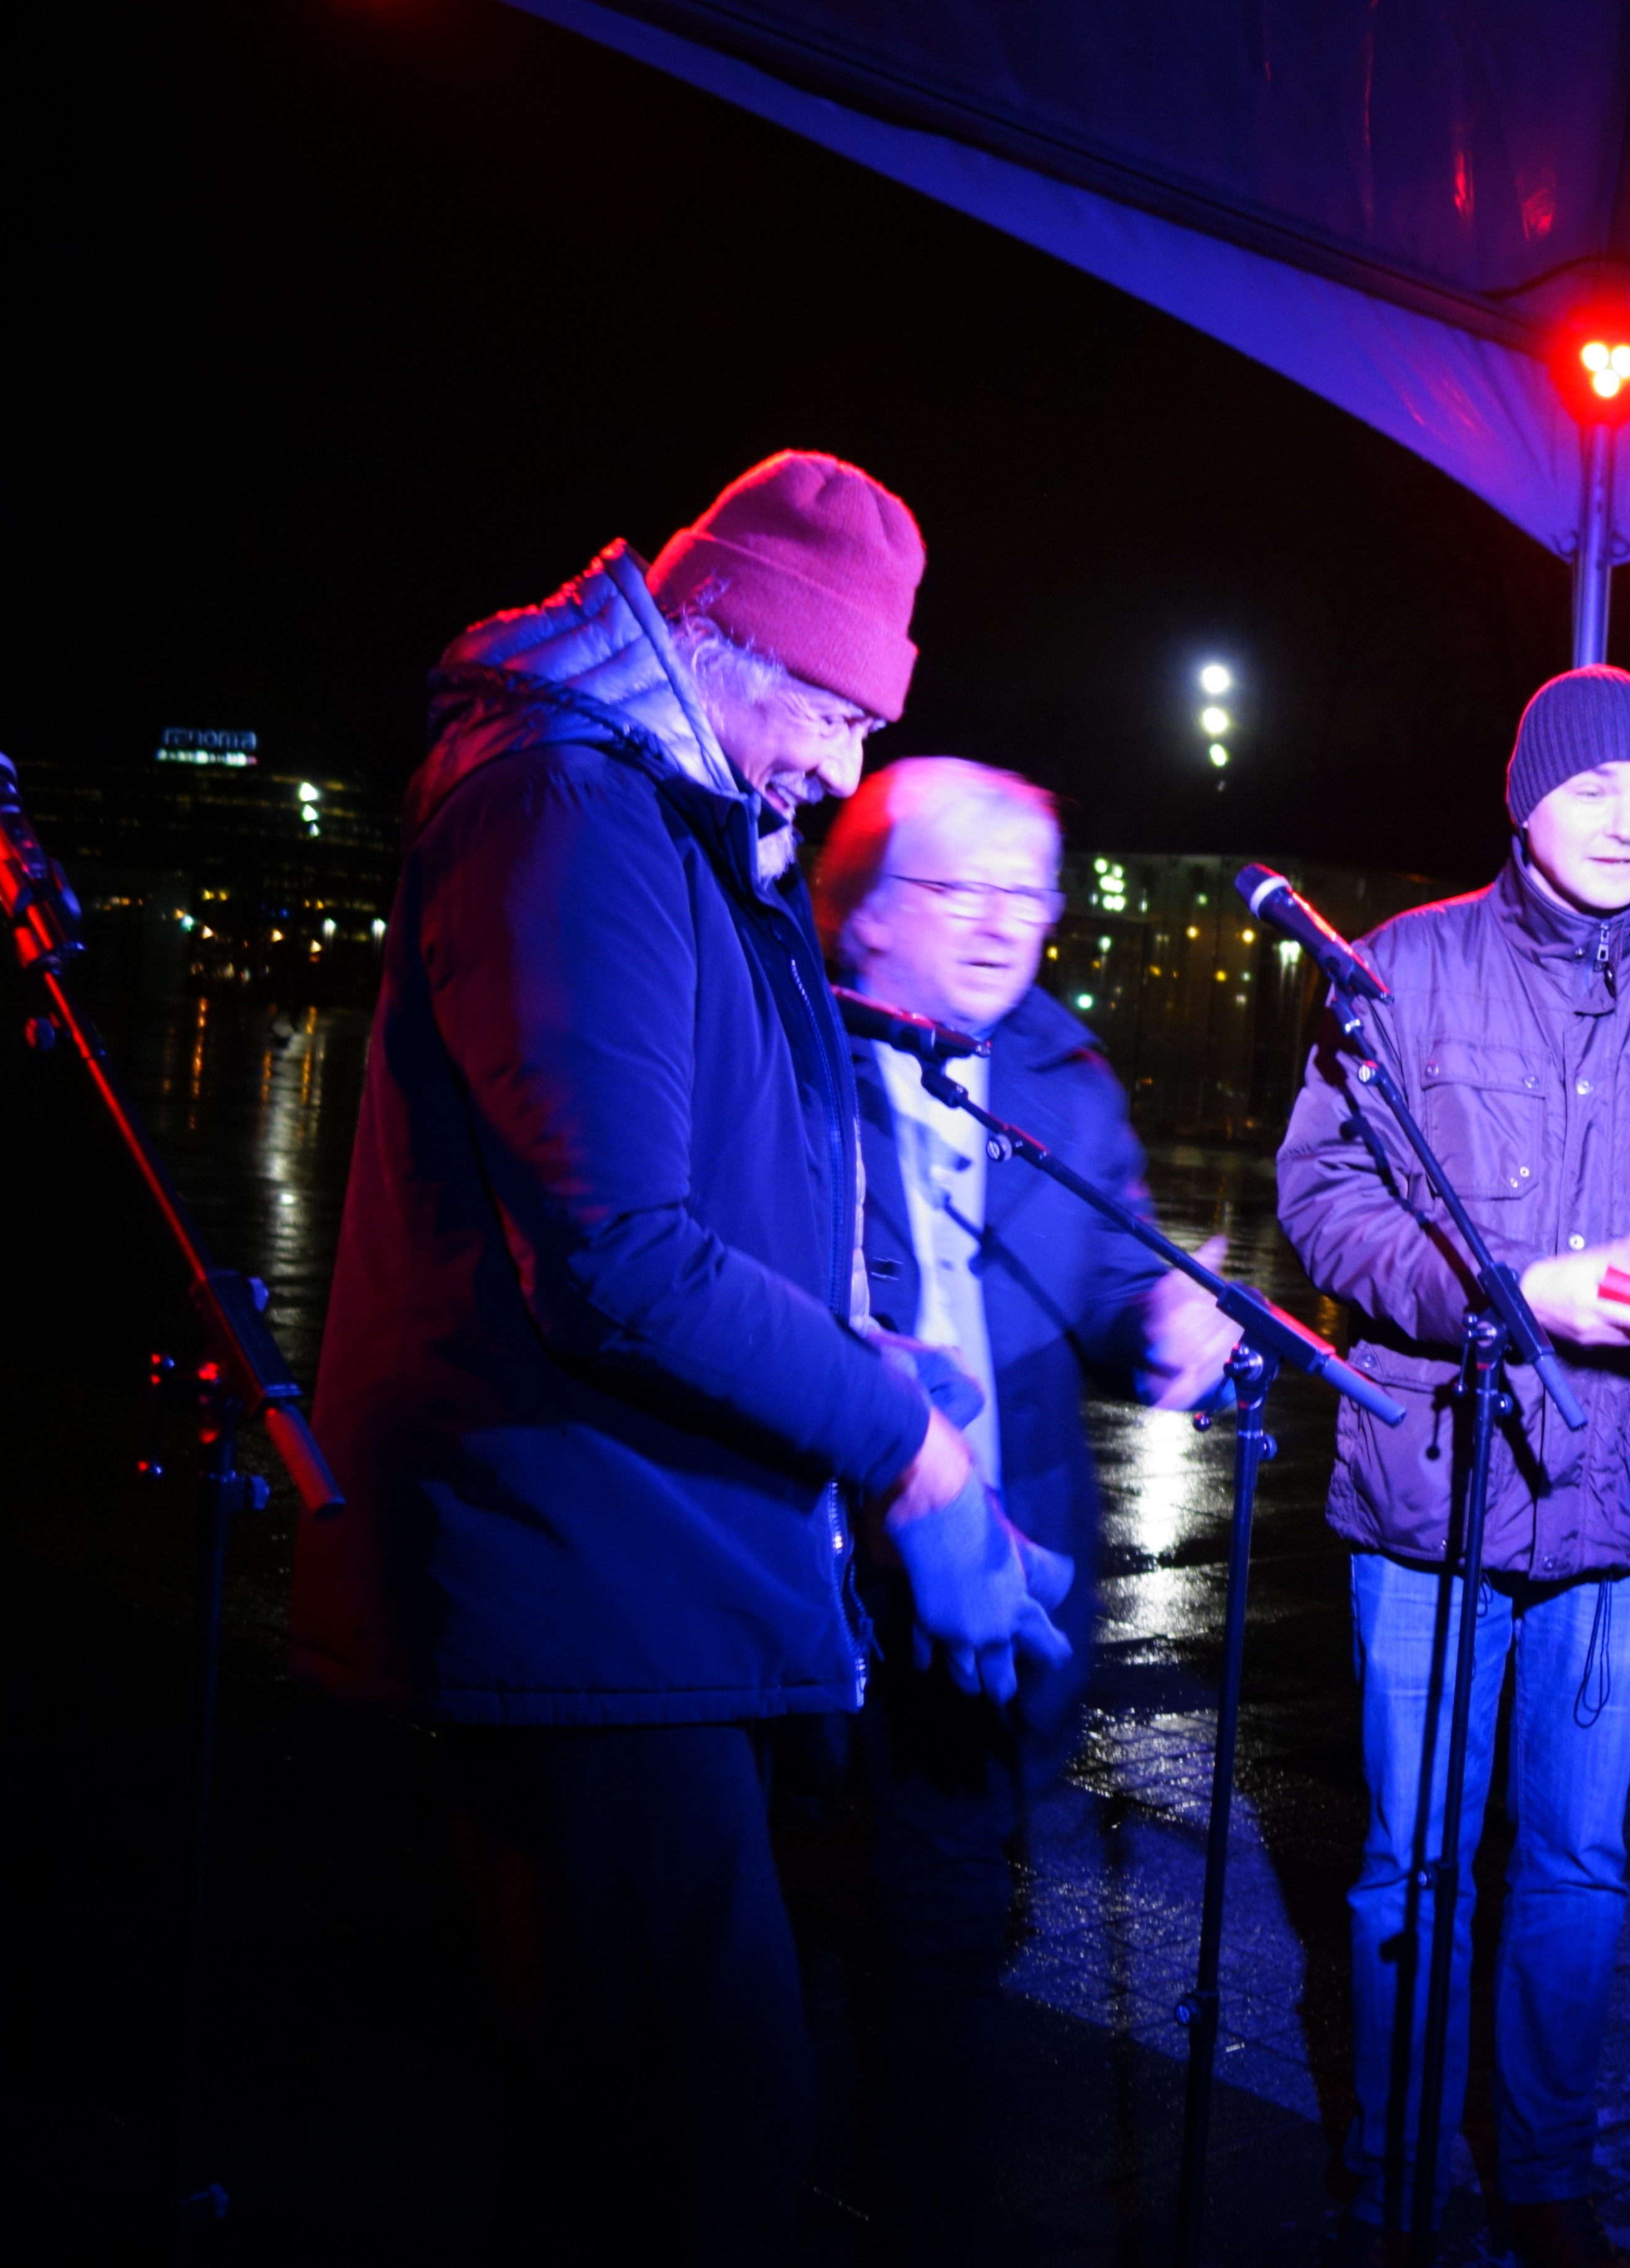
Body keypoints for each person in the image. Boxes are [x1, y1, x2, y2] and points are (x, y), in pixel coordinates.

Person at [300, 453, 1027, 2260]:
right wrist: (905, 1445)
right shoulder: (565, 807)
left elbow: (692, 1191)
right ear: (718, 635)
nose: (845, 769)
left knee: (631, 2134)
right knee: (705, 2135)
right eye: (834, 708)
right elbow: (618, 1250)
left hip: (643, 1570)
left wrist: (847, 1333)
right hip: (579, 1572)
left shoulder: (660, 811)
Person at [1275, 666, 1630, 2268]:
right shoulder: (1401, 972)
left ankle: (1545, 2169)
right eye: (1593, 788)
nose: (1624, 820)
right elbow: (1322, 1200)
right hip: (1431, 1494)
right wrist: (1496, 1295)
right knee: (1411, 1867)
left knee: (1579, 1866)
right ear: (1523, 796)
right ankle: (1387, 2165)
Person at [810, 757, 1241, 2259]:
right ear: (859, 910)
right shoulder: (786, 1048)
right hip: (816, 1571)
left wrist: (1167, 1322)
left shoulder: (1060, 1068)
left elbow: (1110, 1272)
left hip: (1004, 1588)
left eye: (1029, 891)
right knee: (815, 1939)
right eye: (957, 887)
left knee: (949, 1943)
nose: (1003, 926)